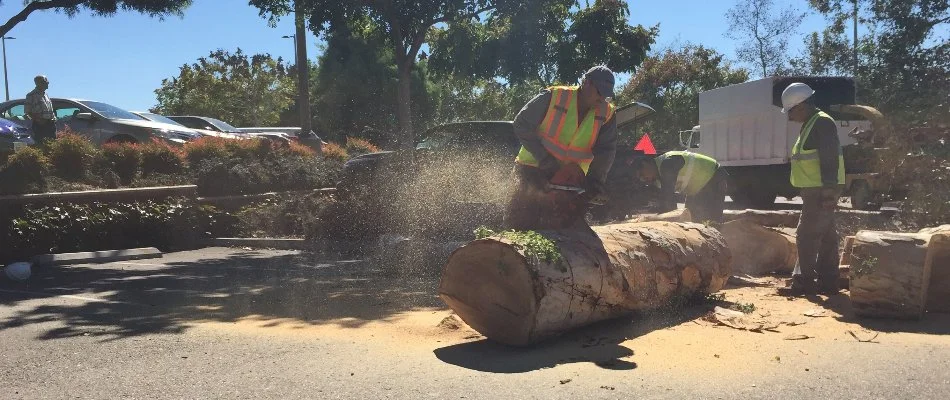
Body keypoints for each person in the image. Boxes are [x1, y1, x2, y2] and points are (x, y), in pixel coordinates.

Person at [504, 65, 618, 231]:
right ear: (586, 83)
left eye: (606, 95)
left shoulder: (606, 113)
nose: (602, 98)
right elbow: (522, 124)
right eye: (599, 92)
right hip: (532, 169)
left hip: (571, 180)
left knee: (568, 231)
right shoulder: (554, 97)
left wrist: (595, 181)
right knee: (519, 224)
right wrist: (544, 159)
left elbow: (606, 150)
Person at [781, 82, 845, 295]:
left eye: (790, 111)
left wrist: (828, 191)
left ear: (801, 105)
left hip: (820, 190)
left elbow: (829, 158)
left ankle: (803, 282)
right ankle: (829, 282)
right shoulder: (811, 123)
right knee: (826, 237)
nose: (789, 117)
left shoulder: (821, 123)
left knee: (806, 235)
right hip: (816, 189)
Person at [633, 150, 727, 223]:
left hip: (714, 178)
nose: (643, 179)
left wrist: (659, 219)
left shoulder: (667, 164)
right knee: (692, 220)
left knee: (710, 221)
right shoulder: (658, 178)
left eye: (642, 174)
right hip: (699, 187)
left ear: (646, 164)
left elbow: (668, 200)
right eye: (640, 178)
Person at [24, 75, 56, 144]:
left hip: (50, 123)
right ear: (39, 83)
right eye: (45, 81)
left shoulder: (46, 95)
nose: (48, 83)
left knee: (52, 144)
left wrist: (53, 119)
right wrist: (39, 120)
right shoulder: (31, 95)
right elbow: (27, 111)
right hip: (40, 125)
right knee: (41, 144)